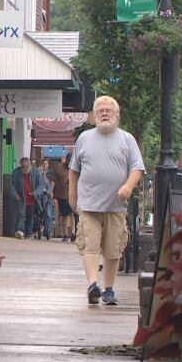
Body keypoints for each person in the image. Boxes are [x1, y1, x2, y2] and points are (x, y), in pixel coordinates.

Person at [68, 96, 145, 305]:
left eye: (108, 110)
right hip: (89, 205)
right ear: (94, 116)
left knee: (113, 249)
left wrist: (128, 186)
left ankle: (109, 288)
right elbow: (74, 171)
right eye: (100, 110)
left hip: (116, 206)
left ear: (116, 116)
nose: (104, 113)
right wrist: (72, 197)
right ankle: (93, 284)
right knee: (89, 246)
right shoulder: (84, 138)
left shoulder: (127, 139)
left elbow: (137, 168)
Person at [10, 157, 46, 239]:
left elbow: (41, 185)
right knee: (21, 214)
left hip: (32, 198)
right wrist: (15, 195)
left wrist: (35, 193)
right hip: (21, 198)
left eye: (27, 167)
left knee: (30, 216)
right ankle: (20, 231)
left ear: (30, 165)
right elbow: (12, 186)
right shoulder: (16, 173)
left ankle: (29, 232)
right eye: (23, 167)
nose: (25, 169)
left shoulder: (36, 173)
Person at [52, 152, 75, 241]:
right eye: (69, 160)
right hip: (62, 195)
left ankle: (72, 233)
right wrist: (51, 191)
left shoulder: (75, 168)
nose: (70, 163)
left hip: (73, 195)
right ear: (66, 159)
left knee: (72, 213)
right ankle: (65, 234)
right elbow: (53, 180)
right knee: (64, 214)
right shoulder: (58, 168)